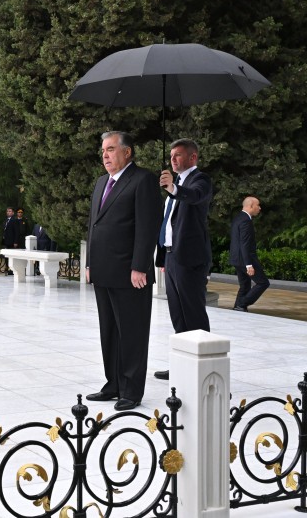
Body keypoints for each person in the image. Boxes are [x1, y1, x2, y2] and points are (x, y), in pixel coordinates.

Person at [85, 131, 160, 411]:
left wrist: (140, 266)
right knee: (109, 331)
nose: (105, 155)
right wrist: (90, 263)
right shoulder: (101, 182)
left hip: (130, 273)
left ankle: (131, 390)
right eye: (103, 150)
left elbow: (147, 226)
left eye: (111, 149)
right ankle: (113, 384)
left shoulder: (142, 180)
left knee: (132, 332)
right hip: (103, 270)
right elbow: (93, 225)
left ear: (127, 152)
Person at [153, 139, 213, 381]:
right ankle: (181, 364)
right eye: (171, 156)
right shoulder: (176, 184)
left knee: (194, 313)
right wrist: (162, 257)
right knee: (178, 315)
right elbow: (168, 223)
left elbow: (194, 196)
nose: (173, 159)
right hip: (171, 256)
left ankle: (204, 368)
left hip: (189, 259)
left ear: (193, 157)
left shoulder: (200, 180)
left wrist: (173, 188)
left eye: (178, 155)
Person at [229, 196, 269, 312]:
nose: (259, 208)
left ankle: (238, 307)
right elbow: (244, 244)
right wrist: (248, 265)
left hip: (237, 259)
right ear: (251, 206)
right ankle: (242, 303)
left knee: (245, 285)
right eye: (258, 205)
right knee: (263, 283)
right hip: (245, 260)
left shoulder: (238, 218)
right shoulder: (245, 221)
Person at [2, 207, 20, 274]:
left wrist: (15, 241)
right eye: (7, 211)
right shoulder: (6, 220)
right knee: (6, 255)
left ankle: (11, 269)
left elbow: (17, 232)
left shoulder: (15, 220)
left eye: (10, 211)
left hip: (12, 241)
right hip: (6, 240)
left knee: (11, 256)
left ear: (13, 213)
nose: (8, 212)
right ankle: (7, 268)